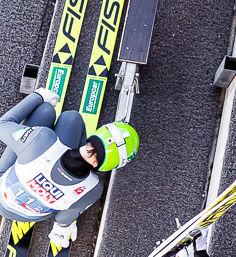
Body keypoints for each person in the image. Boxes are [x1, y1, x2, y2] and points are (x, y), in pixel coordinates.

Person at [0, 88, 139, 250]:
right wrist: (62, 229)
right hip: (31, 216)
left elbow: (3, 124)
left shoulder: (42, 139)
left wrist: (38, 96)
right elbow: (63, 217)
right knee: (68, 120)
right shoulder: (93, 188)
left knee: (50, 112)